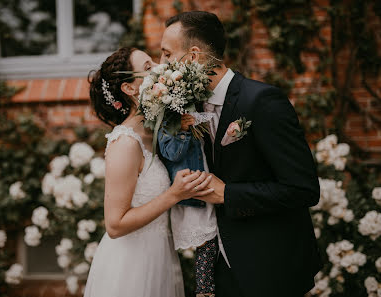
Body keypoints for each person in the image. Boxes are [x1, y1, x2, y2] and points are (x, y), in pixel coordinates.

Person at [160, 11, 322, 297]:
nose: (161, 66)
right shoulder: (184, 109)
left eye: (166, 55)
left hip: (269, 267)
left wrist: (228, 194)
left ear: (192, 57)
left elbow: (303, 189)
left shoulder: (262, 101)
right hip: (218, 268)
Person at [83, 47, 213, 297]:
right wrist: (174, 195)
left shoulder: (158, 132)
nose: (159, 67)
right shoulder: (125, 142)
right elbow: (114, 224)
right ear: (129, 89)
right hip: (130, 265)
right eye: (147, 67)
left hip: (159, 255)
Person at [158, 114, 218, 297]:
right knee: (204, 240)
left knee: (212, 239)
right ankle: (204, 290)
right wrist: (182, 130)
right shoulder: (166, 122)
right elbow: (172, 153)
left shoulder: (199, 112)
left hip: (208, 183)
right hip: (191, 191)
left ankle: (207, 287)